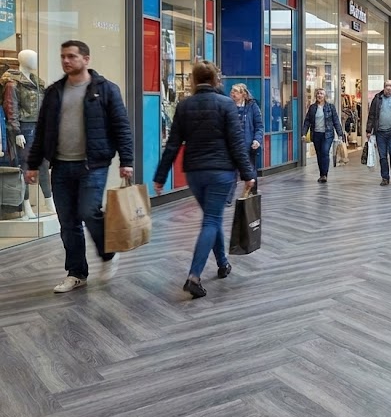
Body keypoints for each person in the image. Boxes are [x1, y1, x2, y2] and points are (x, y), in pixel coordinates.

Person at [28, 40, 134, 294]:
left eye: (72, 56)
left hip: (93, 164)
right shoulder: (54, 92)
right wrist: (32, 164)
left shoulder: (106, 89)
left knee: (89, 210)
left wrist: (127, 161)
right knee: (67, 222)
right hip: (61, 166)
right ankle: (76, 273)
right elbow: (42, 131)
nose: (66, 61)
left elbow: (121, 127)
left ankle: (108, 254)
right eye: (63, 56)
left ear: (86, 59)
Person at [154, 62, 255, 299]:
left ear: (193, 80)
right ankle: (194, 276)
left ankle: (222, 263)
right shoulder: (226, 105)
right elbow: (237, 143)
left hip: (195, 173)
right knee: (211, 219)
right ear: (215, 80)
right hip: (220, 172)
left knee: (213, 216)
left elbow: (172, 144)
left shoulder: (184, 105)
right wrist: (248, 173)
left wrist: (160, 176)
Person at [301, 88, 344, 184]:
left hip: (327, 134)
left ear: (325, 96)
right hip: (316, 134)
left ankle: (325, 174)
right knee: (319, 155)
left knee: (325, 152)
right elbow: (307, 121)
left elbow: (336, 121)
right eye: (318, 94)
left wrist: (340, 134)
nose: (319, 95)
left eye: (321, 94)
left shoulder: (330, 107)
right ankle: (322, 174)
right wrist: (303, 133)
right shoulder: (312, 108)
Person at [230, 84, 264, 193]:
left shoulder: (252, 106)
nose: (232, 93)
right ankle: (228, 199)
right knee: (231, 171)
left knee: (250, 170)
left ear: (243, 94)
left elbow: (259, 126)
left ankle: (252, 194)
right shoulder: (229, 106)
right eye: (232, 91)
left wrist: (257, 140)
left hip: (248, 145)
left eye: (235, 91)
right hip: (232, 145)